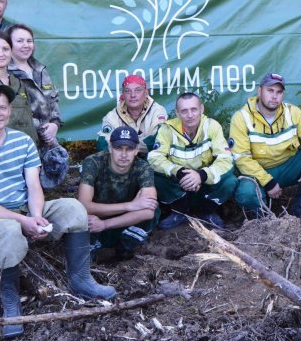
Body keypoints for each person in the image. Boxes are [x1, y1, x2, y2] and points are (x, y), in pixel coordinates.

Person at [0, 83, 115, 339]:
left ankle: (81, 280)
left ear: (9, 111)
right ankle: (11, 307)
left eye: (2, 107)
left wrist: (36, 215)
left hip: (23, 208)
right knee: (7, 230)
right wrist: (21, 220)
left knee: (73, 208)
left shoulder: (22, 141)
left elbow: (33, 186)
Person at [229, 72, 301, 225]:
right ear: (260, 91)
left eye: (279, 92)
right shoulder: (241, 117)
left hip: (287, 167)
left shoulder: (291, 112)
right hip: (258, 172)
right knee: (246, 194)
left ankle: (300, 208)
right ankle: (265, 222)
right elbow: (242, 158)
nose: (274, 96)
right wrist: (268, 182)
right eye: (270, 91)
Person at [149, 92, 236, 230]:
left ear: (201, 109)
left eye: (194, 109)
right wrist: (178, 172)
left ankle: (207, 212)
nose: (190, 115)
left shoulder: (212, 126)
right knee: (155, 177)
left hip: (204, 181)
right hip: (179, 181)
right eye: (184, 111)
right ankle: (179, 212)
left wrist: (202, 175)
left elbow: (225, 159)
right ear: (177, 113)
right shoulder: (167, 129)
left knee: (230, 180)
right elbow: (154, 157)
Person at [78, 126, 158, 261]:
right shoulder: (93, 162)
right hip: (97, 219)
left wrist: (105, 224)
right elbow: (83, 206)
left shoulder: (143, 167)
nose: (124, 154)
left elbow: (149, 211)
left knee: (151, 215)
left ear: (137, 150)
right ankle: (91, 253)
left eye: (129, 149)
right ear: (110, 148)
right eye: (119, 148)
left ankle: (124, 251)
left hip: (123, 221)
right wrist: (129, 206)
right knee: (83, 219)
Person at [7, 24, 62, 147]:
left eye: (29, 41)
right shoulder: (5, 75)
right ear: (9, 44)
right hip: (20, 142)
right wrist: (43, 129)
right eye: (20, 41)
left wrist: (55, 124)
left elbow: (53, 100)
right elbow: (12, 113)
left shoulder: (40, 70)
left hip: (49, 141)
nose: (26, 45)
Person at [97, 75, 167, 156]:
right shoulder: (112, 116)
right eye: (127, 91)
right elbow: (103, 143)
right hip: (121, 159)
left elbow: (155, 141)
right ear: (123, 94)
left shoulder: (157, 111)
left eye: (138, 90)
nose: (133, 95)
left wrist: (121, 145)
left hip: (150, 158)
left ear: (146, 93)